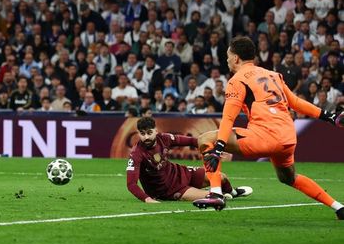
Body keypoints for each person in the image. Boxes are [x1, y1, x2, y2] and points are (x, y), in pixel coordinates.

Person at [193, 37, 344, 219]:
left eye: (228, 56)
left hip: (264, 136)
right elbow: (295, 102)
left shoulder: (237, 80)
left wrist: (218, 148)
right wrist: (329, 116)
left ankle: (216, 193)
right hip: (288, 137)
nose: (227, 60)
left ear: (236, 58)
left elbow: (228, 118)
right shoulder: (272, 75)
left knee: (205, 139)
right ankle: (338, 207)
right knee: (288, 178)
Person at [127, 117, 252, 203]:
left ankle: (233, 192)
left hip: (180, 173)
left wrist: (214, 150)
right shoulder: (136, 154)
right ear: (138, 134)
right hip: (167, 190)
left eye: (149, 133)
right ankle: (221, 193)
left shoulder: (164, 138)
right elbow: (131, 184)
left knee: (221, 177)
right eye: (142, 134)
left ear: (156, 131)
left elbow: (193, 141)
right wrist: (147, 199)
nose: (146, 137)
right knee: (214, 196)